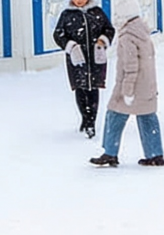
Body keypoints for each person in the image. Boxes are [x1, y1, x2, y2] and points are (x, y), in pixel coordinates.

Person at [89, 0, 164, 167]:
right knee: (147, 116)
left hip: (132, 86)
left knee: (114, 114)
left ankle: (110, 153)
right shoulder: (143, 33)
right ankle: (155, 154)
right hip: (147, 85)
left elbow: (131, 66)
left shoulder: (127, 36)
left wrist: (127, 90)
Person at [53, 0, 115, 139]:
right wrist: (70, 46)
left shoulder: (97, 13)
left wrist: (102, 41)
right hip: (77, 59)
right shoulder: (67, 15)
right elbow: (58, 34)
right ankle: (85, 117)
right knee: (80, 87)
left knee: (93, 88)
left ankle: (91, 121)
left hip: (95, 59)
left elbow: (109, 29)